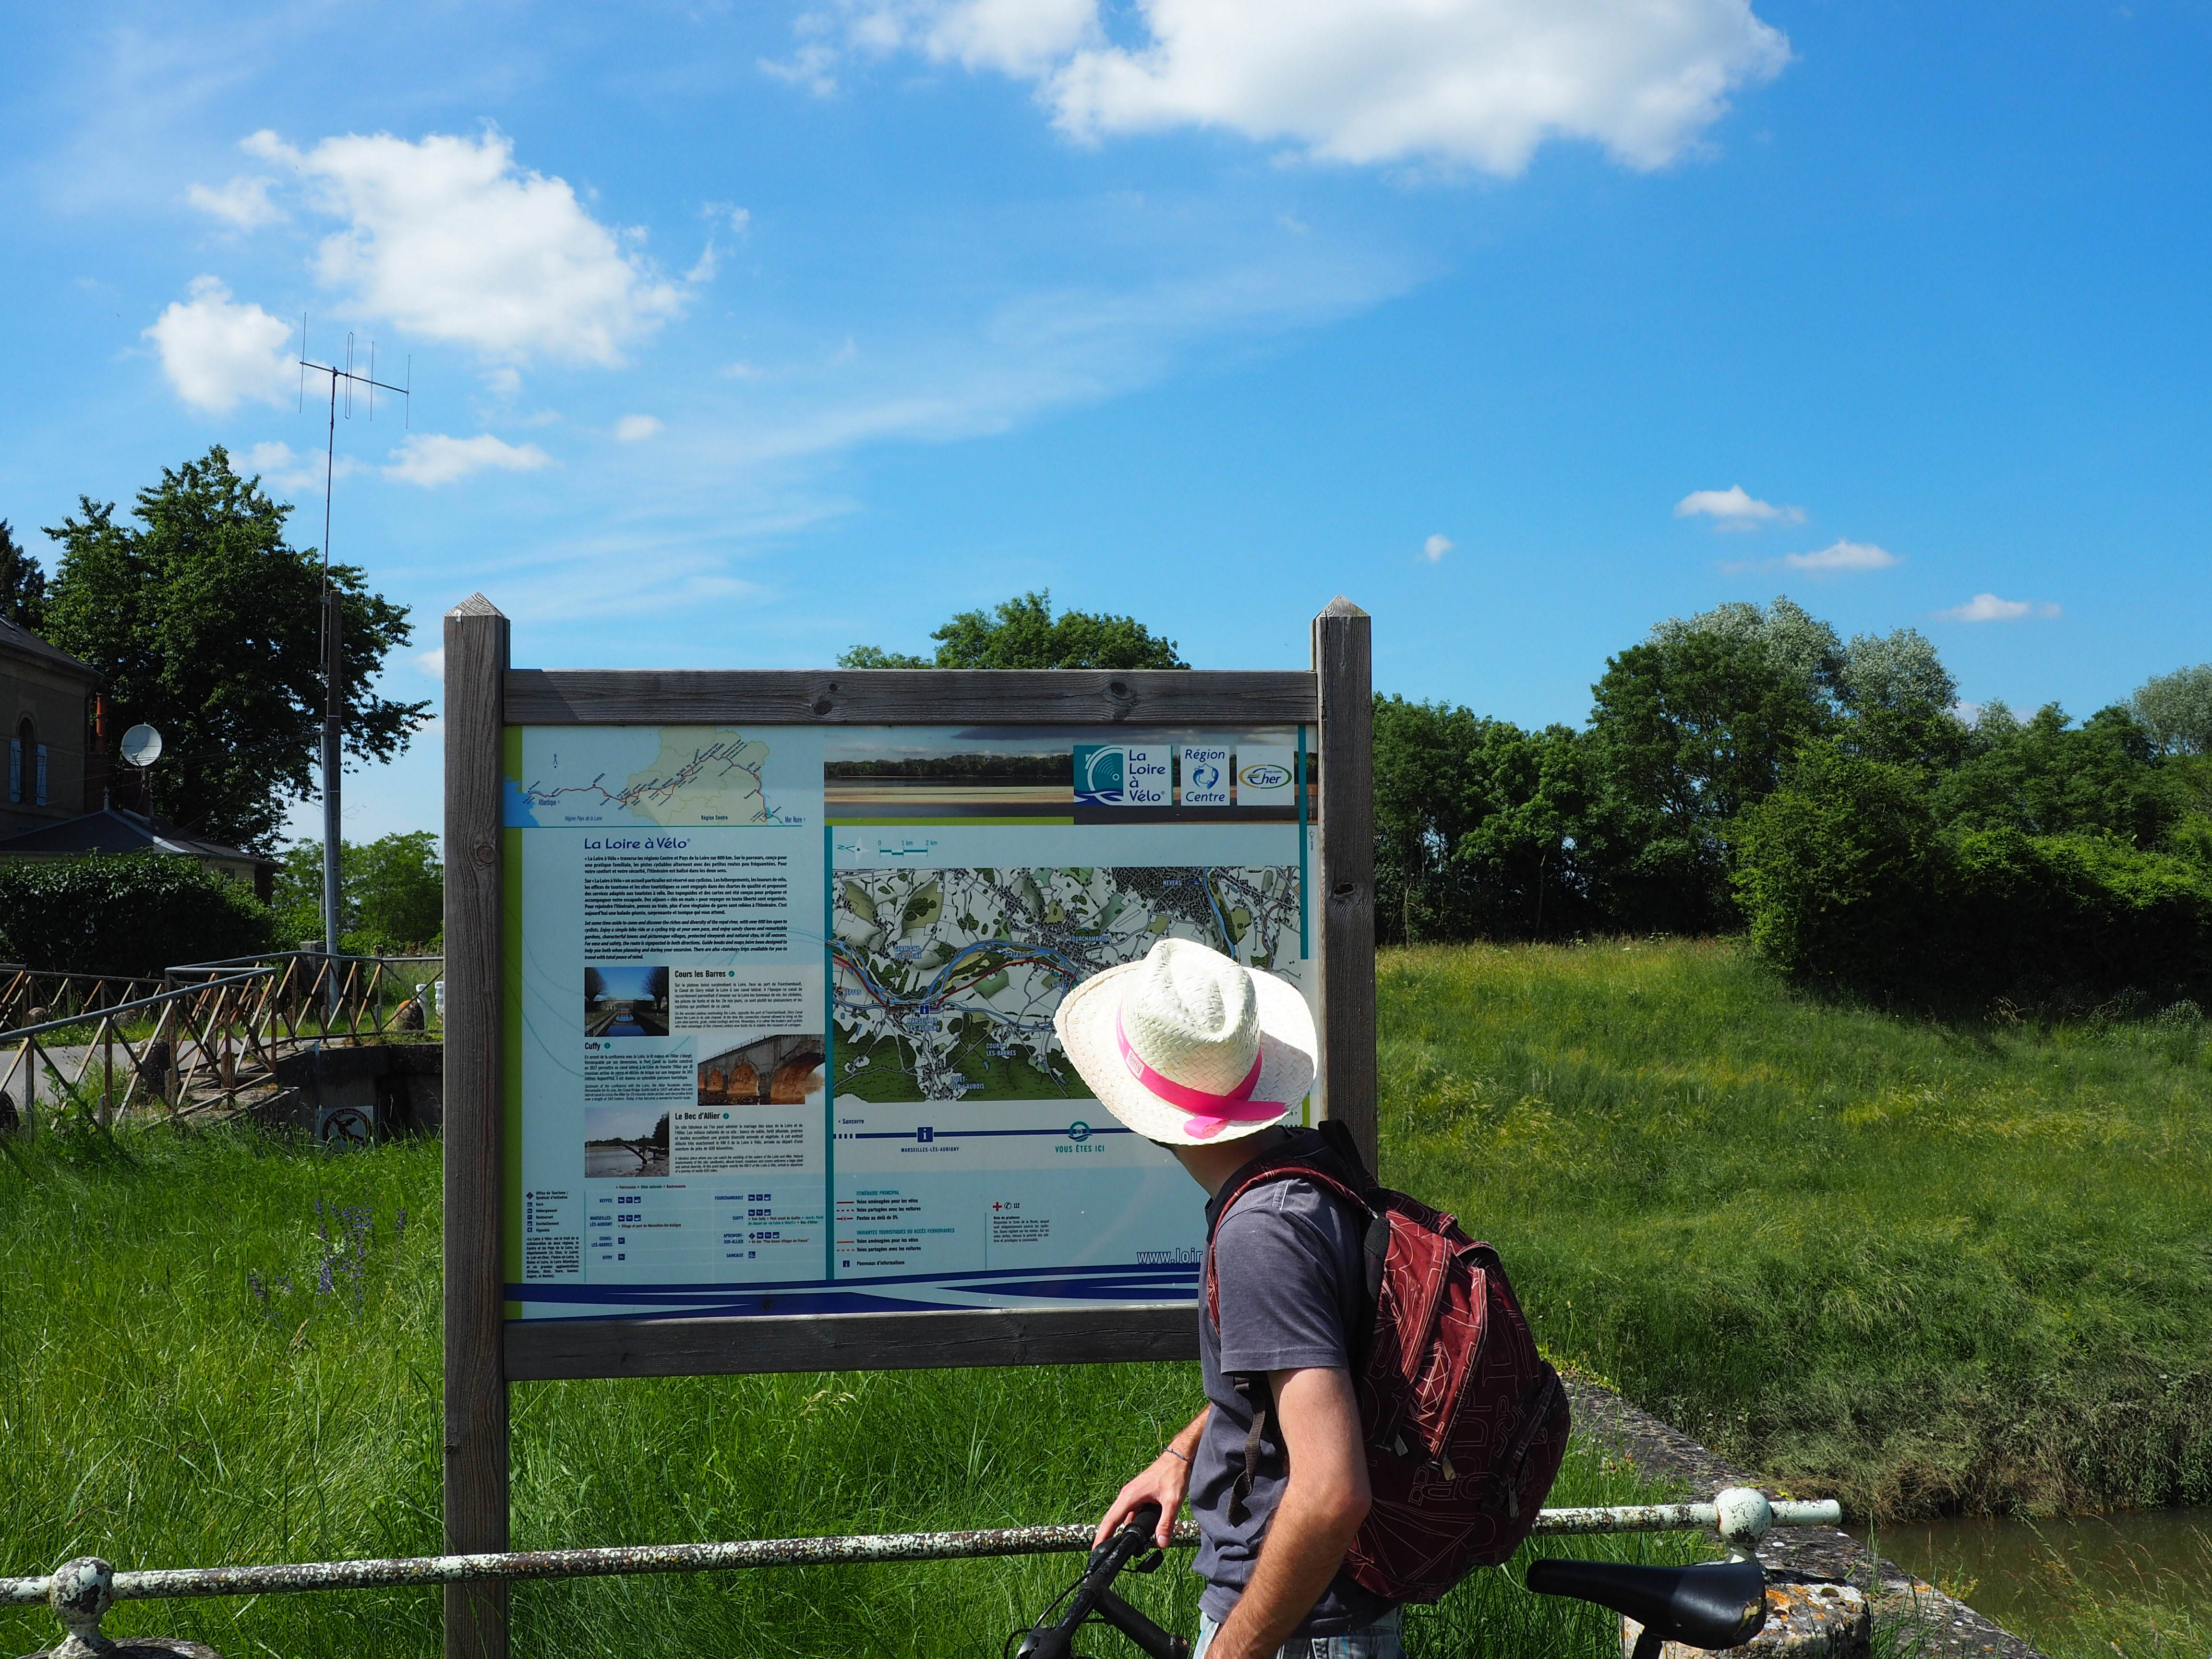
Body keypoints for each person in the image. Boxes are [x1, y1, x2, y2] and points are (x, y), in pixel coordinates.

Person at [1053, 937, 1400, 1659]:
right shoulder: (1308, 1171)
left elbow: (1334, 1492)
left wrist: (1232, 1653)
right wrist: (1185, 1452)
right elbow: (1301, 1377)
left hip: (1297, 1627)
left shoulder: (1261, 1233)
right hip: (1325, 1616)